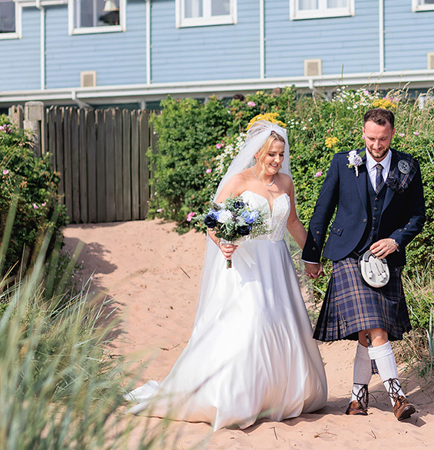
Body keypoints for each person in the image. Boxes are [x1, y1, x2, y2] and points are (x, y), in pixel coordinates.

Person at [127, 120, 328, 430]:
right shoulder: (239, 181)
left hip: (277, 263)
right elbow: (213, 222)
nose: (277, 160)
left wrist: (313, 256)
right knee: (250, 324)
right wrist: (223, 243)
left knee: (280, 327)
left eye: (281, 154)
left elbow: (293, 223)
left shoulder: (286, 183)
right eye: (271, 154)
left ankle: (274, 396)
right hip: (246, 264)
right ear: (257, 152)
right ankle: (236, 397)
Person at [303, 107, 425, 421]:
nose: (376, 144)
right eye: (371, 138)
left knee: (369, 331)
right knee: (375, 326)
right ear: (363, 133)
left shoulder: (407, 166)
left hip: (384, 260)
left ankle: (358, 397)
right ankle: (397, 396)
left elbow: (417, 216)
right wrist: (312, 256)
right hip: (347, 253)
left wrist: (396, 239)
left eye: (383, 139)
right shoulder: (343, 163)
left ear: (392, 134)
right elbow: (322, 211)